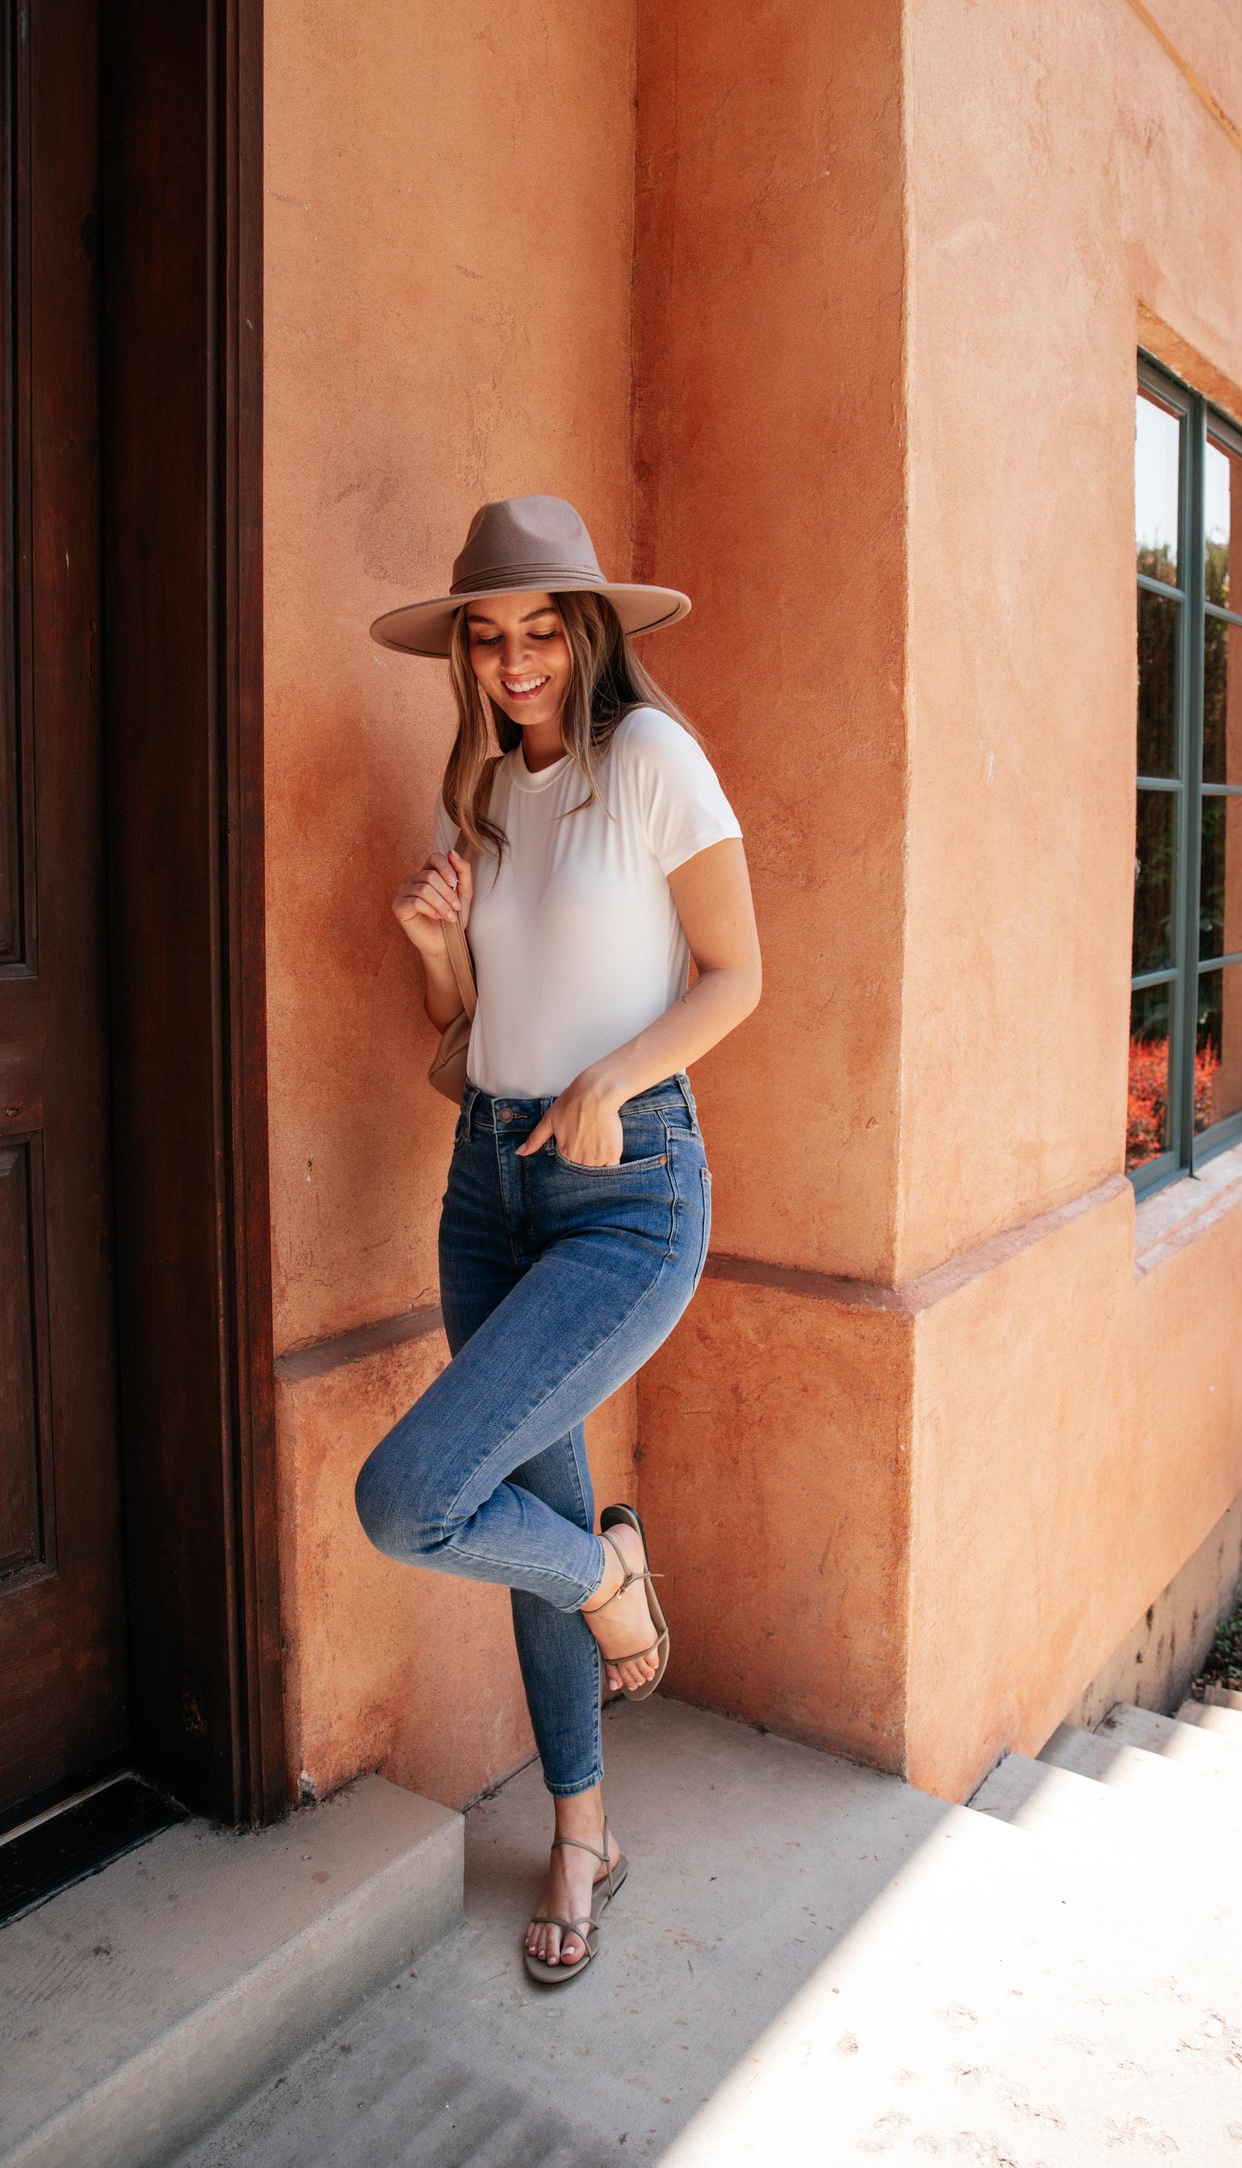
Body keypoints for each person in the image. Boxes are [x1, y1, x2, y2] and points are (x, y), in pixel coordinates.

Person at [355, 495, 762, 1984]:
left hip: (626, 1196)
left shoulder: (648, 762)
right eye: (488, 634)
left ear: (585, 630)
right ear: (462, 651)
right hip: (490, 1185)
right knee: (532, 1523)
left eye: (539, 629)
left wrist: (613, 1077)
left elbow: (737, 976)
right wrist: (435, 951)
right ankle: (581, 1827)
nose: (515, 659)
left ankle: (599, 1573)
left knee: (408, 1498)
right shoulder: (483, 801)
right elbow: (469, 1042)